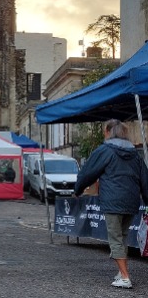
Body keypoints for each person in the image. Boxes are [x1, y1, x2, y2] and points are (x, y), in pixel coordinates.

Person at [74, 119, 148, 289]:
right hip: (131, 202)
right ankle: (121, 271)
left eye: (104, 131)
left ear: (108, 131)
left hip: (113, 201)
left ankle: (124, 276)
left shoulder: (105, 150)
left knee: (115, 238)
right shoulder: (135, 154)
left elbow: (88, 173)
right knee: (122, 237)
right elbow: (145, 179)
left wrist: (77, 190)